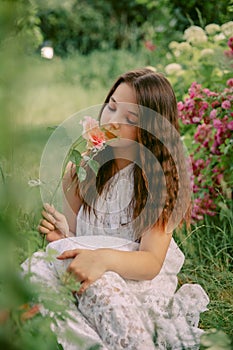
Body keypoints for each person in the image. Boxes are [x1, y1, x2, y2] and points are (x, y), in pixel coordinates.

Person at [23, 68, 209, 350]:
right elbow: (74, 237)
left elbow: (150, 262)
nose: (112, 121)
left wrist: (101, 259)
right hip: (85, 272)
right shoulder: (81, 171)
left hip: (133, 284)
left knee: (97, 284)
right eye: (111, 107)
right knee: (36, 268)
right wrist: (63, 238)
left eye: (129, 118)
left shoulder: (156, 181)